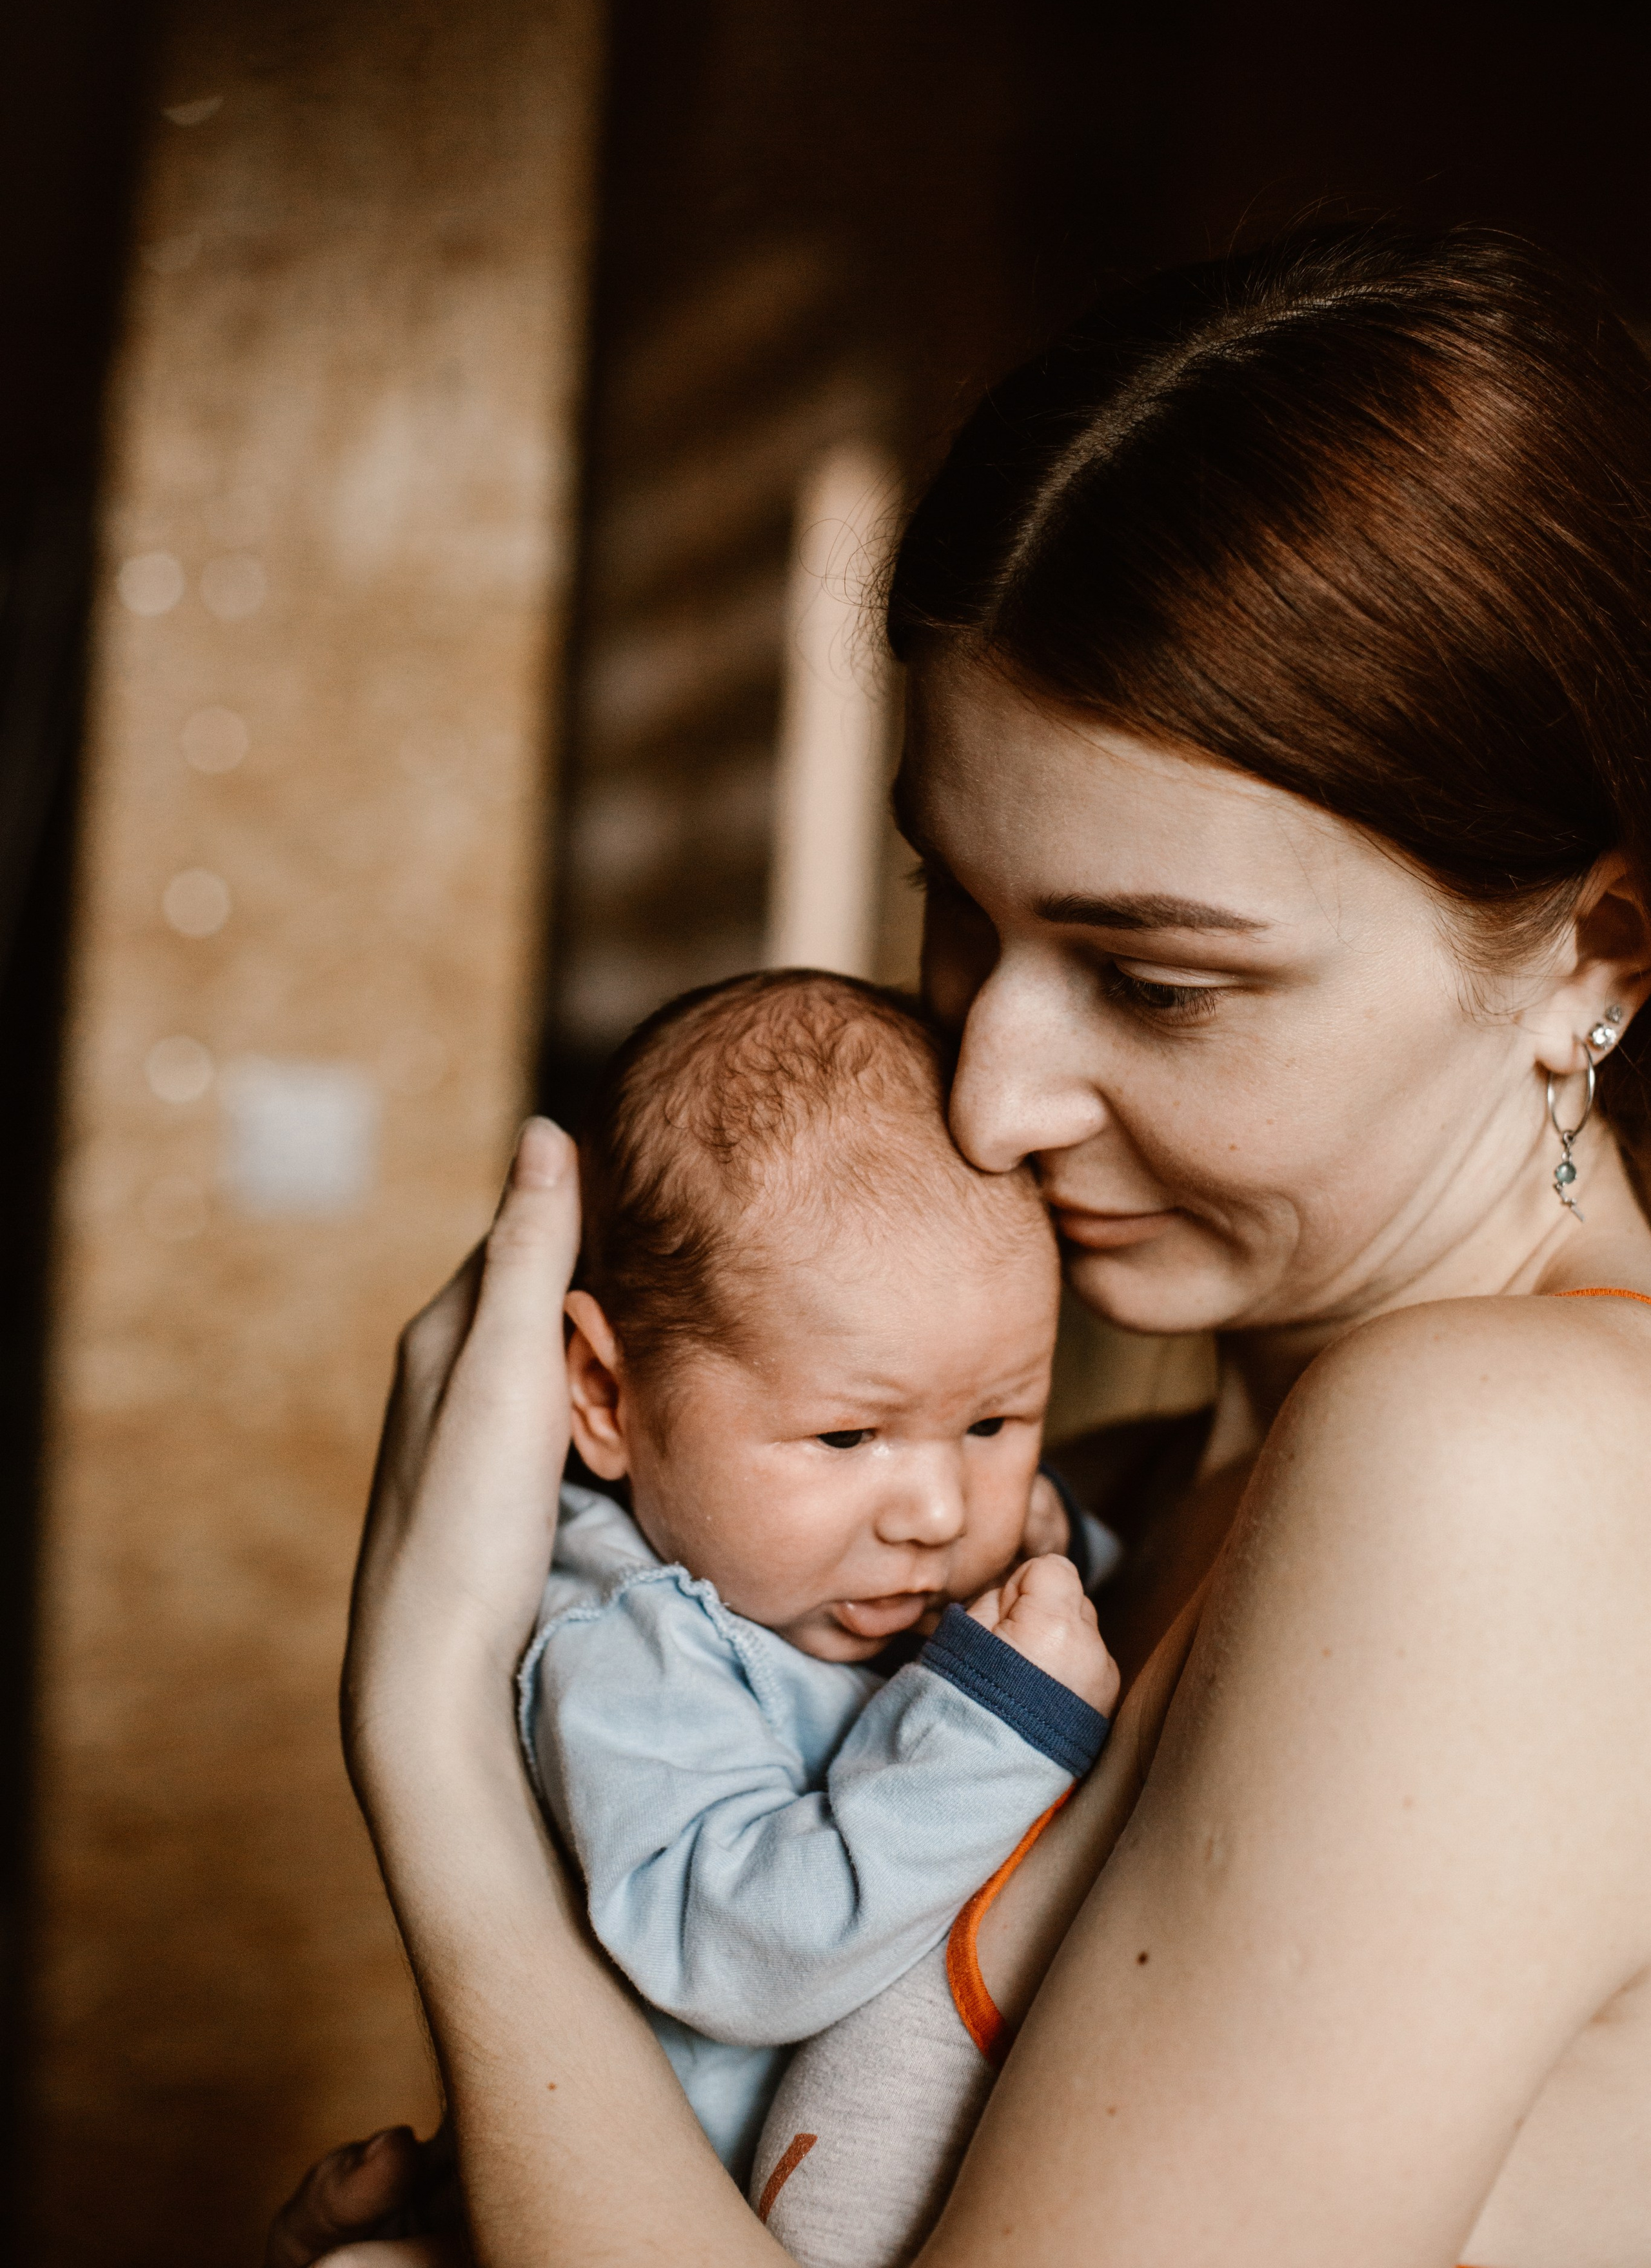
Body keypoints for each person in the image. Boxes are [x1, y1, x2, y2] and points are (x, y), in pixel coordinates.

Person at [272, 223, 1651, 2268]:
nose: (990, 1094)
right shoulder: (1074, 1522)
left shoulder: (1523, 1472)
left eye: (1158, 982)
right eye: (964, 913)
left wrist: (435, 1751)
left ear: (1589, 963)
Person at [519, 969, 1116, 2178]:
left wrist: (1055, 1567)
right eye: (849, 1438)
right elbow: (721, 1949)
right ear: (607, 1395)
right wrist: (997, 1728)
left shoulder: (941, 1552)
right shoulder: (634, 1642)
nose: (940, 1512)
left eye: (997, 1424)